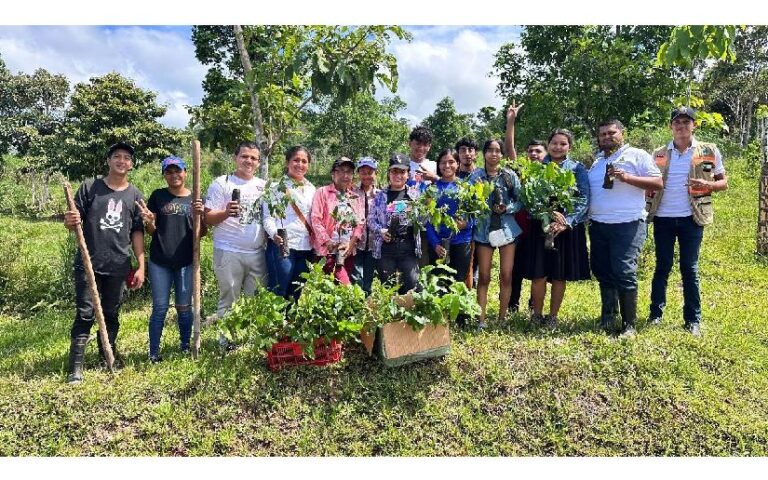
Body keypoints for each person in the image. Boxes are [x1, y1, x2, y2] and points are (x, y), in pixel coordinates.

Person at [63, 141, 145, 383]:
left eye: (126, 157)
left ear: (131, 164)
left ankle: (106, 354)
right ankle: (75, 367)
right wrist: (69, 220)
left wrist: (141, 265)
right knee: (85, 313)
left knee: (111, 313)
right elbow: (72, 223)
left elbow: (137, 232)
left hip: (118, 264)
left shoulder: (135, 195)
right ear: (108, 161)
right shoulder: (90, 188)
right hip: (89, 263)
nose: (122, 161)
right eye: (117, 156)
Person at [646, 107, 728, 336]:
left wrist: (709, 186)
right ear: (671, 126)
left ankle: (693, 319)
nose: (681, 126)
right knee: (662, 266)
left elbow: (723, 182)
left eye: (686, 122)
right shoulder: (659, 153)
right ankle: (656, 314)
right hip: (662, 217)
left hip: (692, 218)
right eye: (677, 122)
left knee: (689, 268)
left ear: (694, 125)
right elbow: (650, 183)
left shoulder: (708, 150)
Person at [588, 120, 663, 337]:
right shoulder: (597, 161)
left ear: (622, 133)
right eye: (602, 134)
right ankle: (608, 316)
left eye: (611, 133)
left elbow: (657, 183)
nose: (606, 137)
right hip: (599, 224)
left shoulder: (637, 155)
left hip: (628, 223)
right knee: (602, 270)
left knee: (623, 270)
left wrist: (626, 177)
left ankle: (629, 324)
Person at [136, 156, 205, 363]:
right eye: (169, 172)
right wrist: (148, 221)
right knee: (160, 308)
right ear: (164, 175)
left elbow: (201, 234)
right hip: (160, 261)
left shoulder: (195, 198)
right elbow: (151, 230)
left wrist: (200, 215)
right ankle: (154, 352)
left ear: (185, 173)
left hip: (186, 261)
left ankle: (185, 346)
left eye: (178, 171)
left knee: (184, 308)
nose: (174, 175)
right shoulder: (158, 196)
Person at [522, 130, 591, 328]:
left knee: (560, 274)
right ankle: (536, 314)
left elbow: (583, 199)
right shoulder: (538, 167)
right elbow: (529, 197)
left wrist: (566, 221)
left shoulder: (577, 168)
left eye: (563, 144)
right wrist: (547, 213)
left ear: (569, 147)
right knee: (539, 273)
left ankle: (552, 316)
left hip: (565, 228)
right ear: (548, 145)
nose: (558, 147)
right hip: (541, 224)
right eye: (554, 143)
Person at [204, 141, 267, 348]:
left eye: (253, 158)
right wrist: (225, 213)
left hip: (257, 252)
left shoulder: (262, 186)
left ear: (258, 162)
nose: (248, 161)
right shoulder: (221, 183)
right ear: (235, 157)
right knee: (229, 297)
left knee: (255, 298)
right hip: (228, 251)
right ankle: (226, 342)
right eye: (244, 156)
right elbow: (208, 218)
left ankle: (251, 340)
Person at [469, 139, 523, 328]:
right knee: (483, 276)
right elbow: (468, 202)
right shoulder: (475, 176)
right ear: (484, 153)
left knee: (507, 275)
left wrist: (506, 208)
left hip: (507, 230)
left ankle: (502, 318)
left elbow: (520, 201)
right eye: (490, 150)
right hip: (484, 231)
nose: (494, 154)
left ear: (502, 154)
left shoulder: (509, 176)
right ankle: (481, 319)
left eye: (498, 150)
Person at [263, 146, 316, 300]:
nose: (300, 164)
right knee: (279, 290)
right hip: (283, 245)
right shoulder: (275, 188)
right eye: (296, 160)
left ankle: (290, 323)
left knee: (296, 292)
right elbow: (267, 217)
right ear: (287, 162)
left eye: (304, 161)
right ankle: (275, 324)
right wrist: (274, 234)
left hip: (305, 247)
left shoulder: (312, 189)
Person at [369, 154, 422, 294]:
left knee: (412, 284)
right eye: (394, 171)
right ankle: (390, 315)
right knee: (388, 287)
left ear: (408, 174)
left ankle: (407, 313)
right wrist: (381, 231)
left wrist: (426, 210)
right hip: (386, 249)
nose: (398, 175)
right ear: (389, 173)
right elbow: (371, 220)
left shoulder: (415, 195)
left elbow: (423, 221)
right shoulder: (380, 196)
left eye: (402, 171)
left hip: (408, 248)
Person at [310, 157, 365, 284]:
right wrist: (327, 241)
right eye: (341, 171)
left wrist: (351, 243)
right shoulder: (323, 192)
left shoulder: (354, 197)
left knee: (335, 290)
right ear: (333, 173)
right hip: (327, 251)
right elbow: (316, 219)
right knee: (343, 285)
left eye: (349, 172)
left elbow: (360, 223)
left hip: (347, 252)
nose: (345, 175)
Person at [425, 149, 476, 286]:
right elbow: (428, 221)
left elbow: (476, 215)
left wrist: (466, 224)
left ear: (458, 164)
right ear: (438, 165)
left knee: (457, 283)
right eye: (443, 162)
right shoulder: (431, 190)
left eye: (451, 162)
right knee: (439, 284)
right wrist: (435, 244)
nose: (447, 166)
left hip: (461, 242)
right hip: (439, 244)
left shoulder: (466, 187)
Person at [351, 156, 380, 295]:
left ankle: (366, 303)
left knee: (369, 277)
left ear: (376, 173)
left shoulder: (381, 195)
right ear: (358, 174)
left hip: (374, 243)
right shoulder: (352, 193)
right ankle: (355, 303)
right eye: (363, 172)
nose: (366, 176)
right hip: (356, 243)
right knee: (355, 276)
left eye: (370, 172)